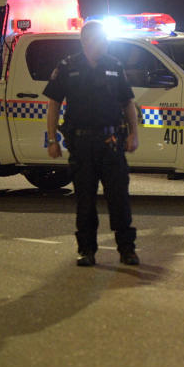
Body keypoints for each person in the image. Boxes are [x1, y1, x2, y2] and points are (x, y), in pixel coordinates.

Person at [43, 20, 140, 267]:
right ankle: (86, 250)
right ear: (85, 41)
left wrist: (133, 134)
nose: (104, 43)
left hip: (111, 143)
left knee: (119, 199)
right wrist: (52, 139)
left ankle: (127, 250)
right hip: (82, 144)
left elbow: (128, 102)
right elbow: (53, 104)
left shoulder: (114, 66)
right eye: (100, 39)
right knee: (85, 201)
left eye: (105, 39)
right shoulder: (68, 66)